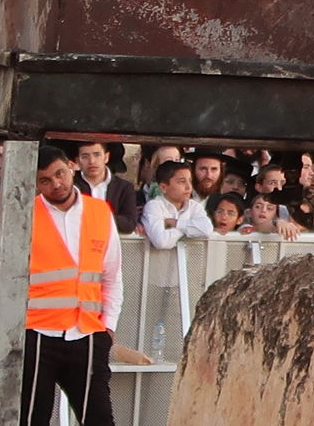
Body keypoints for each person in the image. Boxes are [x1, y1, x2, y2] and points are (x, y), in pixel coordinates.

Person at [21, 145, 121, 426]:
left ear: (71, 166)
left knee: (100, 419)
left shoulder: (99, 211)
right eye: (45, 180)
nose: (56, 184)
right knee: (31, 419)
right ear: (36, 183)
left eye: (60, 174)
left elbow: (112, 275)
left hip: (87, 333)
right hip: (37, 333)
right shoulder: (25, 214)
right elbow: (0, 280)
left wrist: (108, 328)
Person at [140, 160, 215, 247]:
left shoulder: (194, 206)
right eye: (182, 181)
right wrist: (189, 227)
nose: (188, 187)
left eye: (190, 181)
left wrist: (175, 223)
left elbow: (207, 229)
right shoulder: (153, 206)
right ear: (163, 187)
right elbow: (161, 242)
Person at [73, 142, 139, 235]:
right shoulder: (71, 185)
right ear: (78, 161)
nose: (92, 161)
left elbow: (129, 224)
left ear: (106, 157)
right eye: (85, 156)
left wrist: (99, 217)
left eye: (97, 155)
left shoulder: (124, 187)